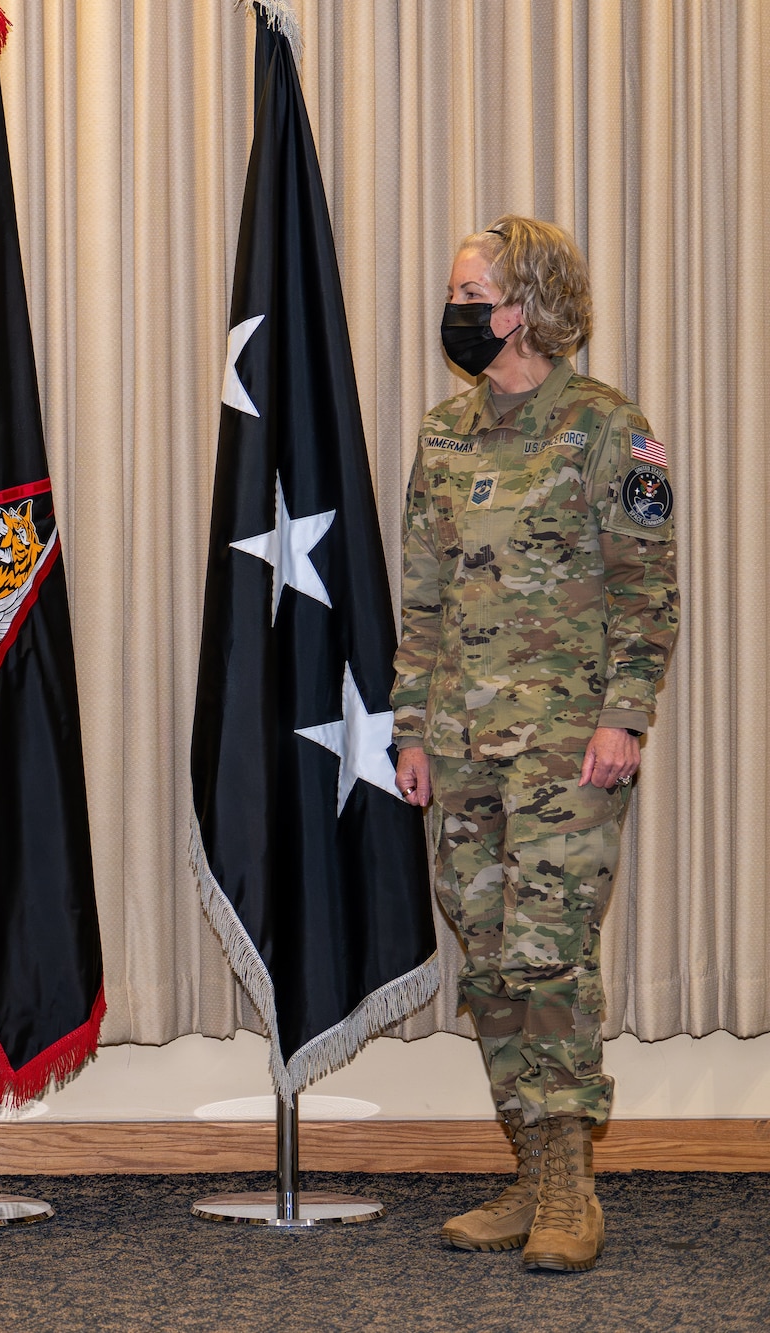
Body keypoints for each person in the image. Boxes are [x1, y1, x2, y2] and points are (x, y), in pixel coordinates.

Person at [392, 216, 678, 1272]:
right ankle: (524, 1166)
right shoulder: (443, 433)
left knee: (550, 956)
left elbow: (648, 592)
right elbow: (418, 597)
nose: (455, 307)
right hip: (462, 745)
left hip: (566, 749)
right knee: (489, 953)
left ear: (521, 308)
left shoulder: (606, 429)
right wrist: (411, 726)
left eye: (471, 290)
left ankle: (570, 1191)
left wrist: (623, 714)